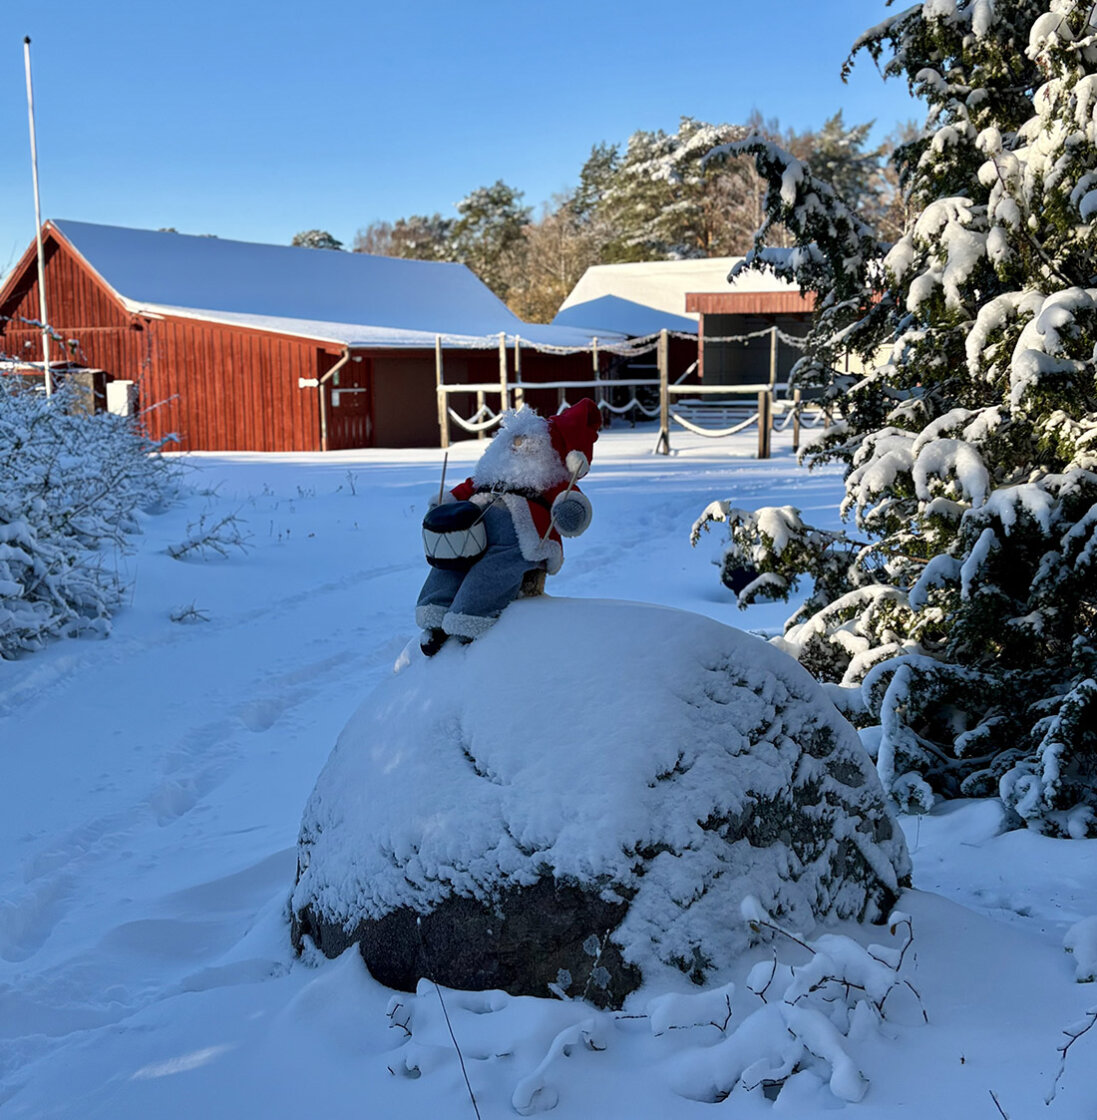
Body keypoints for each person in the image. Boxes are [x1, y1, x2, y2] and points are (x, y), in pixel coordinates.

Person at [416, 399, 601, 655]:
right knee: (451, 558)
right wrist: (447, 502)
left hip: (521, 535)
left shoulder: (547, 478)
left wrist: (569, 511)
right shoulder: (491, 473)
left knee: (496, 567)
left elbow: (570, 502)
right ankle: (434, 616)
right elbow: (470, 486)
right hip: (473, 523)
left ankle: (469, 619)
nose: (519, 445)